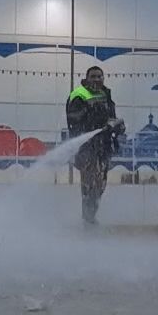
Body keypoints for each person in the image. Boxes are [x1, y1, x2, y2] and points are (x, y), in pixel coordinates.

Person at [65, 65, 125, 225]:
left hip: (103, 146)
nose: (97, 79)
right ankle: (88, 218)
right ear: (87, 78)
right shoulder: (79, 95)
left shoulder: (106, 94)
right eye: (93, 76)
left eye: (100, 76)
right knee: (90, 183)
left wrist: (118, 126)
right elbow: (74, 119)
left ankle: (91, 215)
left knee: (100, 184)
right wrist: (94, 117)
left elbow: (111, 117)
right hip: (87, 147)